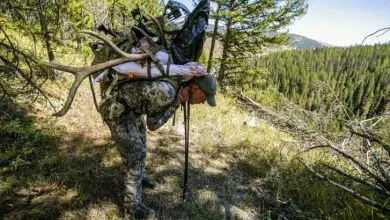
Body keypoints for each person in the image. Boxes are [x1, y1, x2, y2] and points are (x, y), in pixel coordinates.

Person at [99, 75, 216, 218]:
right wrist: (177, 103)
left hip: (130, 107)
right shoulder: (167, 92)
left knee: (141, 144)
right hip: (116, 109)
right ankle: (132, 206)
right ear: (195, 87)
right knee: (136, 153)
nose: (203, 102)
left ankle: (136, 178)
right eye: (204, 97)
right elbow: (153, 124)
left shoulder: (177, 85)